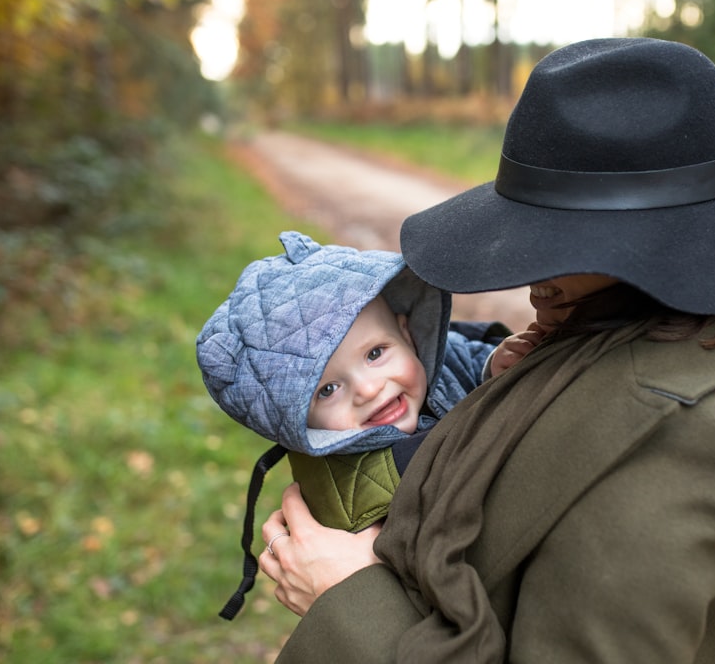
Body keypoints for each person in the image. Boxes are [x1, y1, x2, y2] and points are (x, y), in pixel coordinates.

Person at [258, 37, 715, 663]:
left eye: (554, 239)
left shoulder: (670, 441)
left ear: (651, 247)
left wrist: (345, 596)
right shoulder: (674, 342)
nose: (531, 277)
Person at [195, 231, 519, 619]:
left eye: (375, 353)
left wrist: (493, 366)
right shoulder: (355, 492)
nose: (368, 389)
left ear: (406, 333)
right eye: (328, 389)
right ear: (297, 419)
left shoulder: (432, 363)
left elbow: (457, 352)